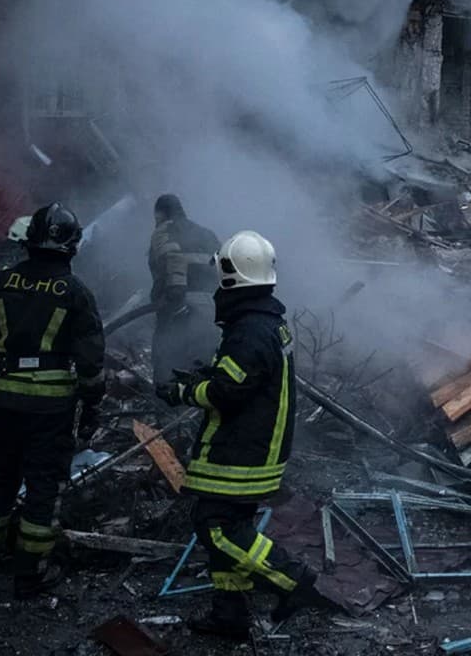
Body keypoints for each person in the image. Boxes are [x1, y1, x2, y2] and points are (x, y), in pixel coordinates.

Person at [156, 230, 337, 641]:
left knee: (216, 528)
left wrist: (182, 391)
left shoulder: (250, 329)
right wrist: (209, 373)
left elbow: (226, 392)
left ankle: (293, 580)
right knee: (228, 528)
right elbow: (241, 378)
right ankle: (230, 615)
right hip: (254, 448)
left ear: (233, 278)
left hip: (241, 453)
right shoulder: (263, 322)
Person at [0, 203, 106, 595]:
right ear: (72, 246)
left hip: (1, 401)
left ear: (30, 240)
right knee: (42, 485)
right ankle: (30, 570)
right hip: (51, 407)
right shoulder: (75, 292)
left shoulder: (1, 283)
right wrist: (92, 406)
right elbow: (90, 363)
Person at [148, 194, 223, 385]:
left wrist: (173, 296)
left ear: (159, 214)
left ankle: (168, 409)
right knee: (205, 361)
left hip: (181, 307)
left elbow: (172, 259)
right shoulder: (207, 234)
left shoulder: (163, 232)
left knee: (168, 360)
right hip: (213, 307)